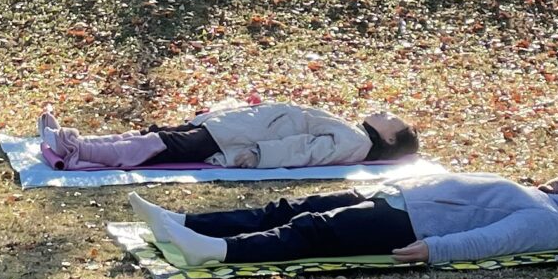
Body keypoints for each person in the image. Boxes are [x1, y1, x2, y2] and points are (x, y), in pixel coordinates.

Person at [127, 173, 558, 268]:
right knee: (288, 210)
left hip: (410, 223)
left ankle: (213, 250)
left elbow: (494, 239)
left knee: (311, 235)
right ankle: (186, 220)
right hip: (396, 196)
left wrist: (438, 250)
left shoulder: (548, 222)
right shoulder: (544, 199)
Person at [38, 99, 420, 172]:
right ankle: (75, 143)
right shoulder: (353, 131)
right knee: (153, 136)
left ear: (389, 140)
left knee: (154, 146)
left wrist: (257, 154)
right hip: (231, 127)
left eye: (392, 119)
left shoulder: (355, 142)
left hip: (235, 141)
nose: (385, 112)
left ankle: (74, 148)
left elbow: (303, 151)